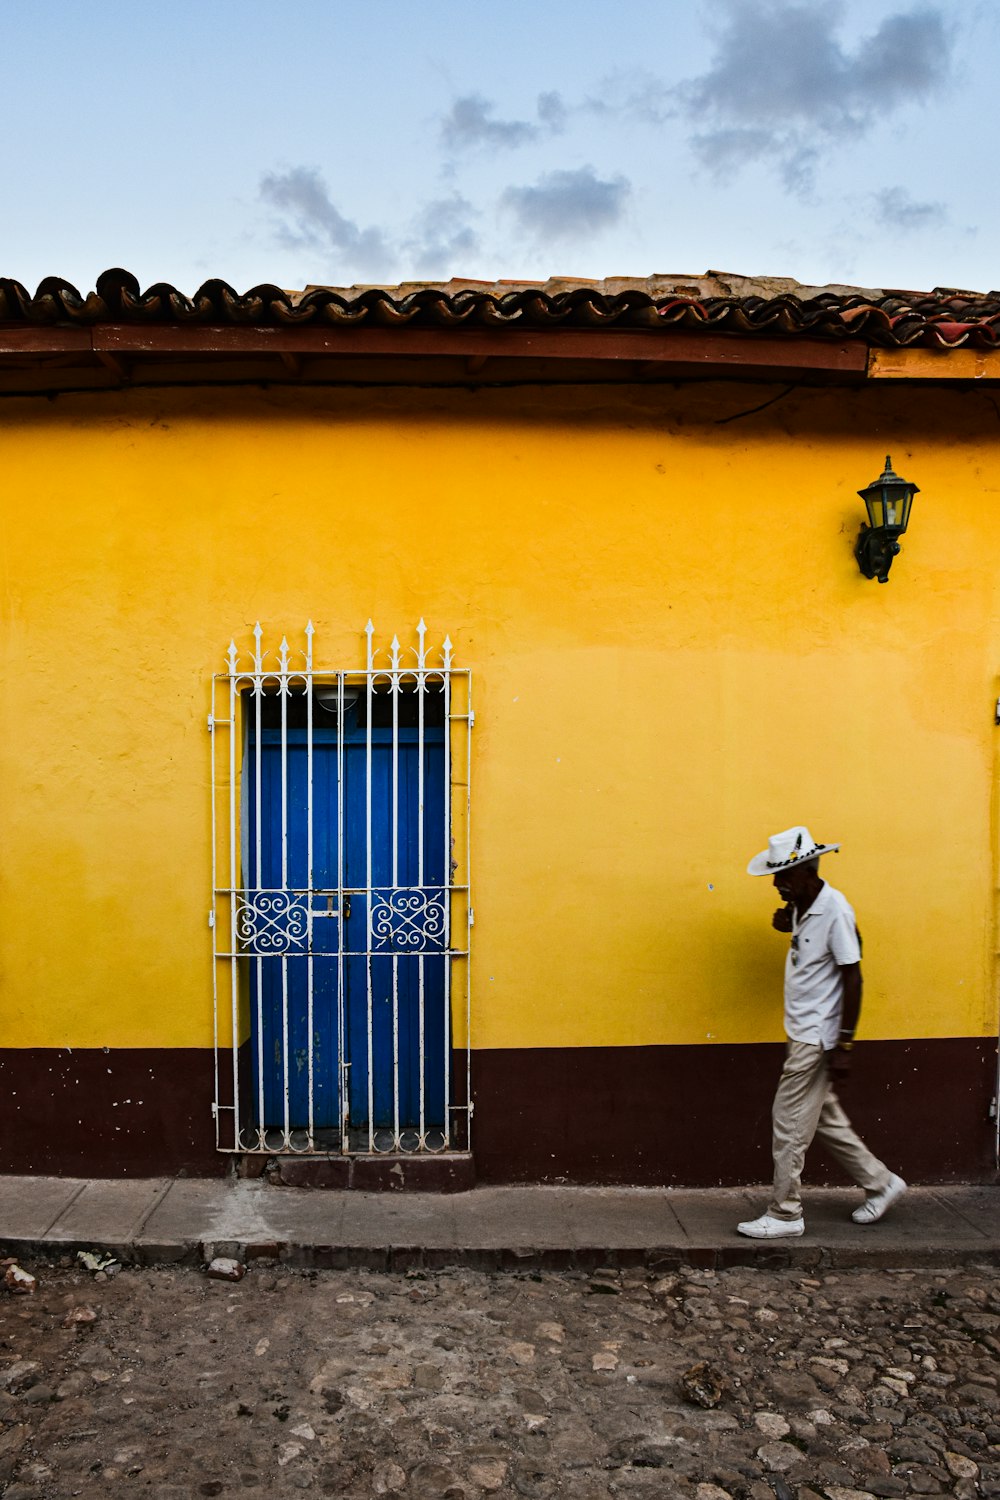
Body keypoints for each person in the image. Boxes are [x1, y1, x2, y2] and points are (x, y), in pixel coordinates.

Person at [737, 825, 906, 1239]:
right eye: (776, 876)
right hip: (803, 1031)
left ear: (809, 870)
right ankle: (882, 1183)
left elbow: (854, 975)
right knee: (825, 1119)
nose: (777, 884)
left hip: (817, 1037)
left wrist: (844, 1043)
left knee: (789, 1123)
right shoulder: (804, 904)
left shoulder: (834, 909)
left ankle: (785, 1213)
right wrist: (787, 924)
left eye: (785, 876)